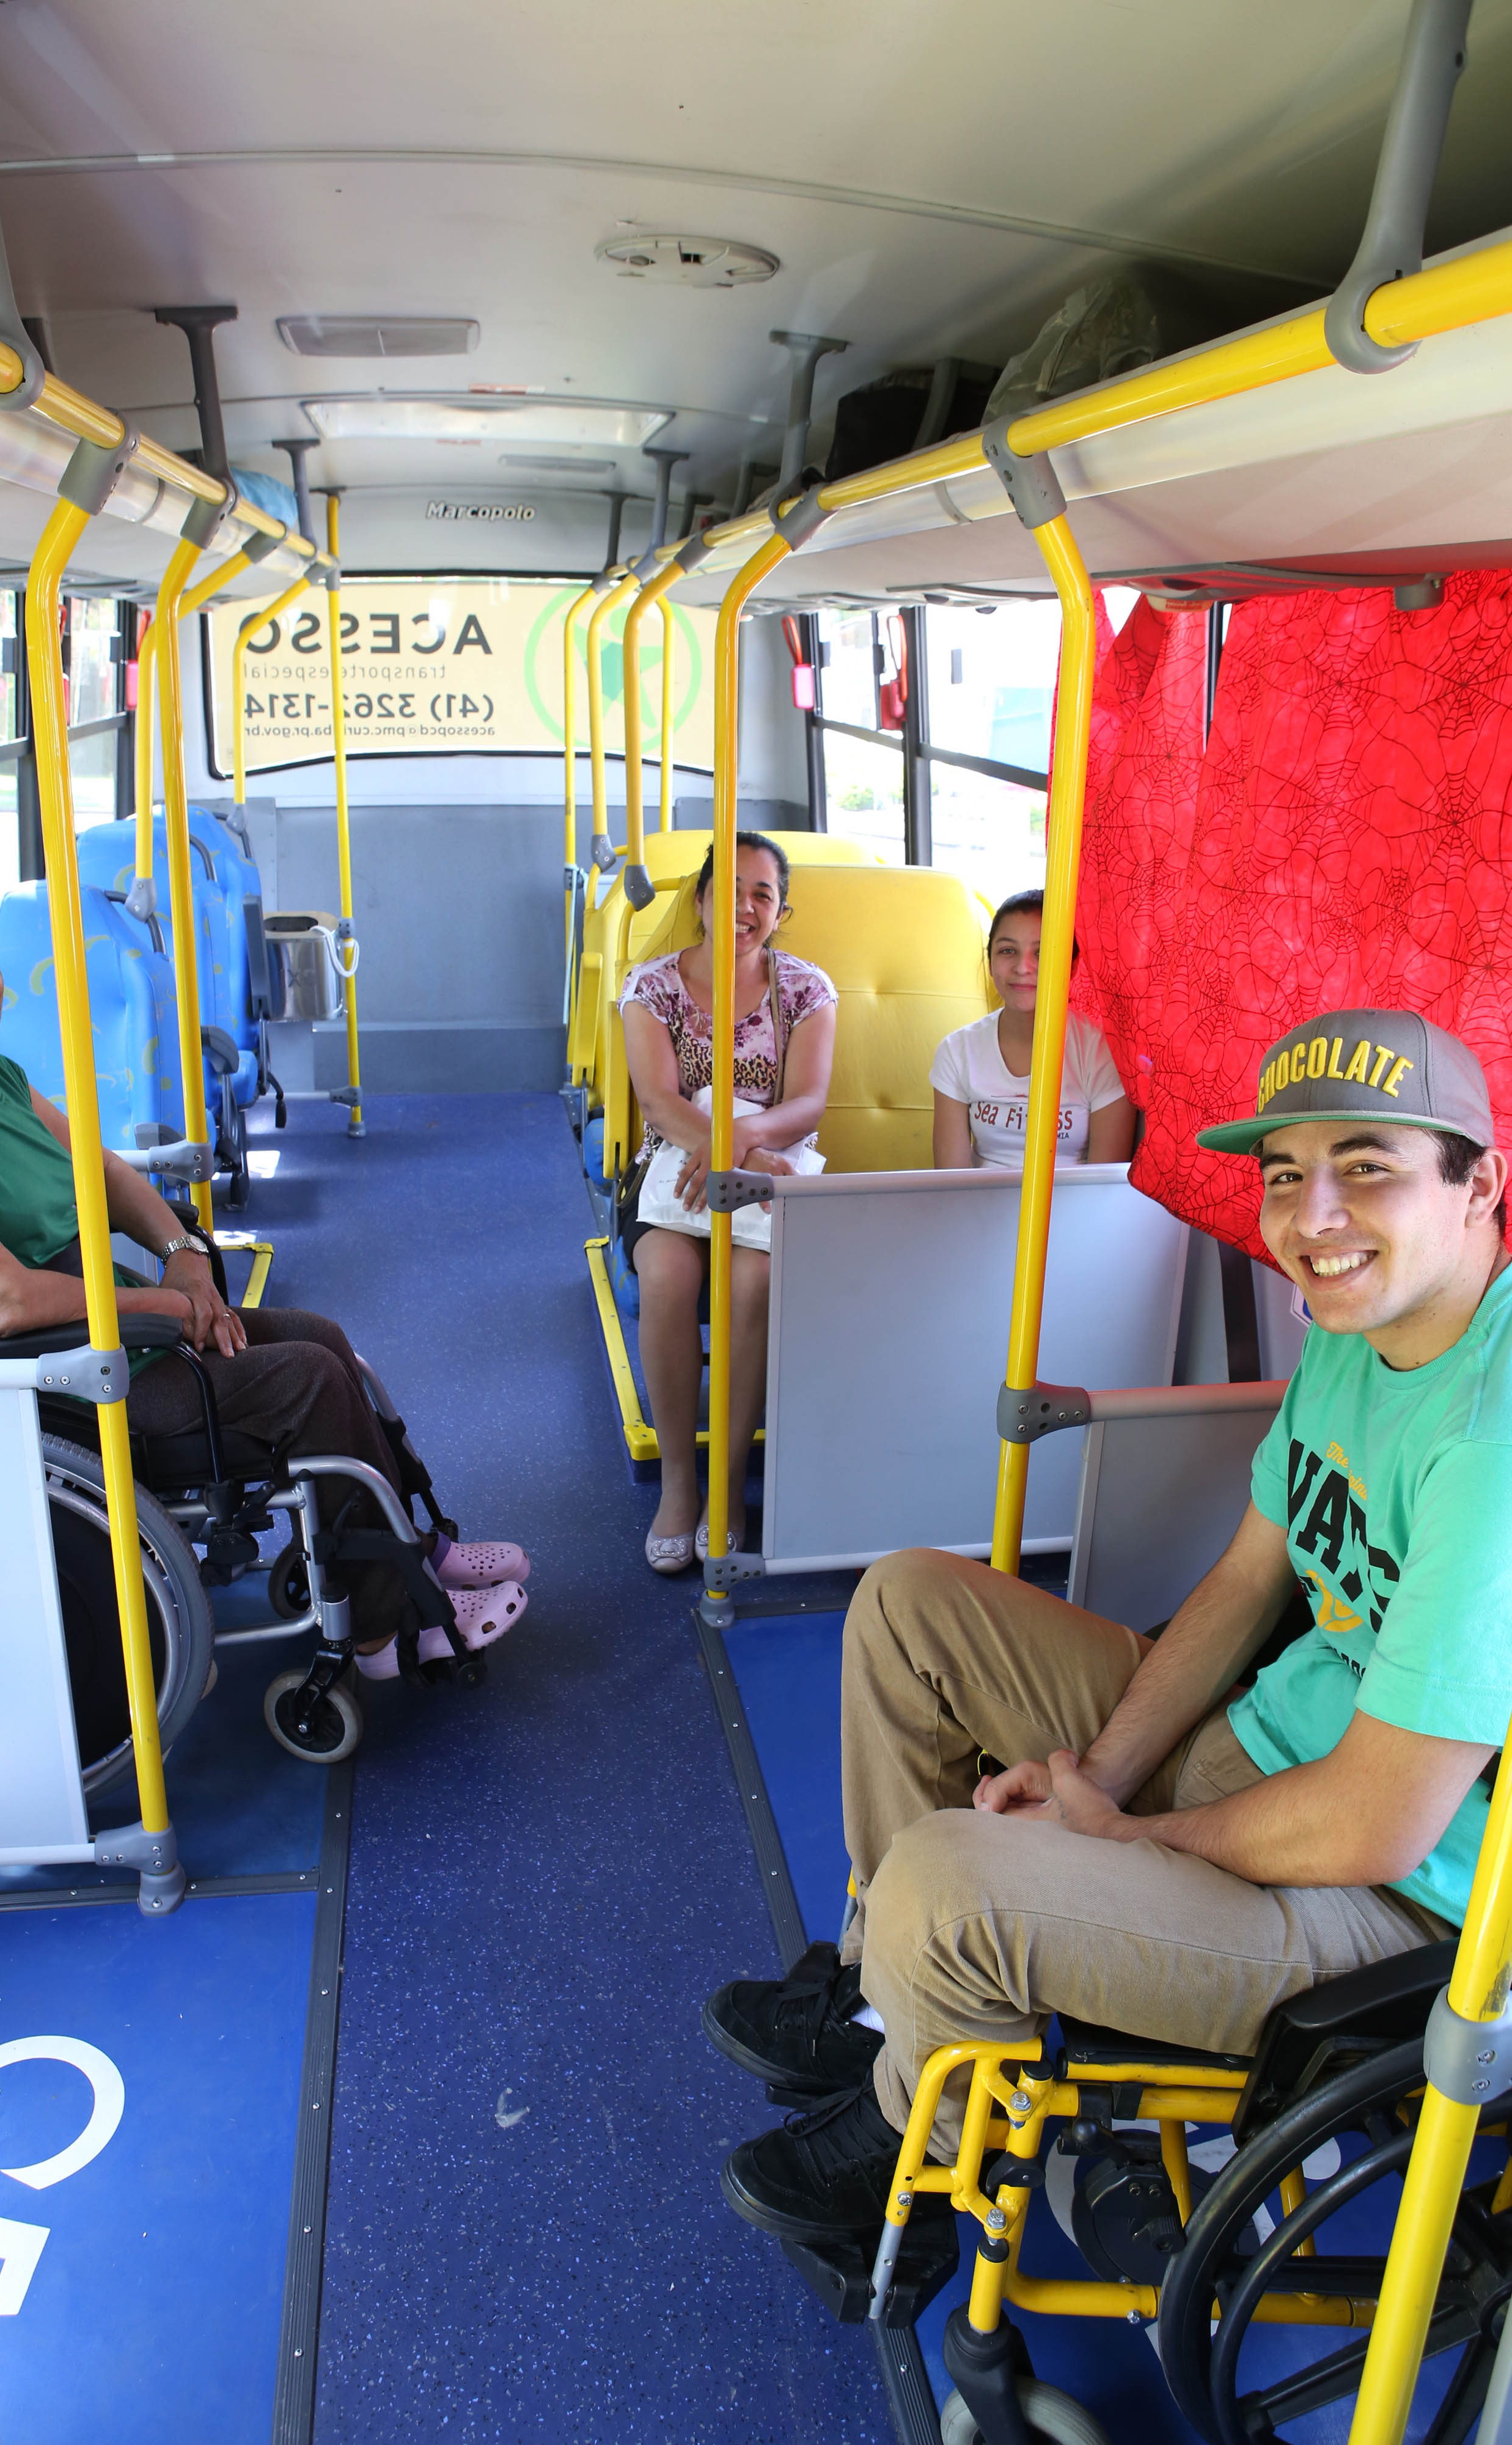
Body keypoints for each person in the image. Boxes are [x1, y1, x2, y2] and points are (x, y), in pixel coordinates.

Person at [706, 1004, 1512, 2243]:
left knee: (947, 1873)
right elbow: (1248, 1577)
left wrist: (1132, 1842)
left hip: (1399, 1899)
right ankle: (888, 2000)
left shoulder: (1490, 1437)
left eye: (1367, 1167)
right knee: (908, 1603)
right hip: (1270, 1737)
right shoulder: (1354, 1331)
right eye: (1286, 1173)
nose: (1311, 1218)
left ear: (1478, 1186)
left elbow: (1373, 1815)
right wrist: (1097, 1778)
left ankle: (913, 2142)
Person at [0, 869, 528, 1674]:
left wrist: (183, 1261)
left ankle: (414, 1551)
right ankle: (380, 1628)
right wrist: (161, 1305)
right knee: (304, 1380)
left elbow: (105, 1172)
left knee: (318, 1337)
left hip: (118, 1328)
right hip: (56, 1377)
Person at [620, 833, 837, 1574]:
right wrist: (732, 1146)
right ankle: (680, 1479)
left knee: (755, 1279)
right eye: (731, 889)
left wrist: (746, 1142)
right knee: (670, 1277)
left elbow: (808, 1101)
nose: (745, 906)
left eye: (763, 894)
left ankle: (729, 1482)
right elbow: (658, 1102)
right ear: (703, 897)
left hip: (771, 1167)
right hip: (672, 1172)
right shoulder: (651, 987)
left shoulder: (806, 989)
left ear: (781, 910)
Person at [931, 887, 1134, 1169]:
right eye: (1008, 951)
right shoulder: (956, 1051)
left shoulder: (1102, 1053)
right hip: (979, 1210)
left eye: (1042, 952)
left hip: (1073, 1211)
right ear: (990, 962)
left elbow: (1103, 1188)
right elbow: (950, 1185)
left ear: (1072, 966)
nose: (1023, 968)